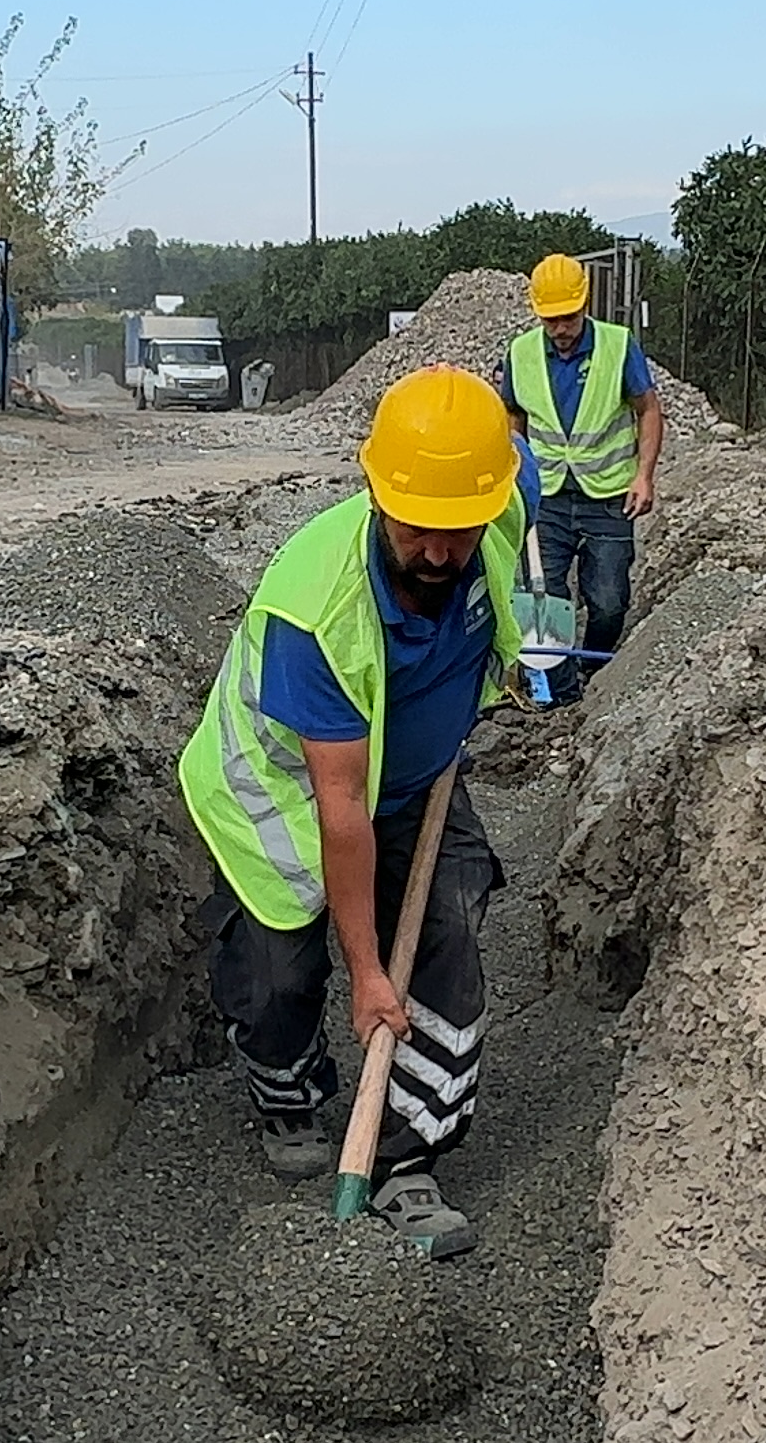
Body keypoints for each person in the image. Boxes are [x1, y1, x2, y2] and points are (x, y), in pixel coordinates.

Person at [177, 366, 526, 1258]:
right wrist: (368, 972)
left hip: (420, 777)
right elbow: (341, 814)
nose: (442, 554)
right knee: (280, 976)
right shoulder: (315, 608)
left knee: (446, 936)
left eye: (460, 532)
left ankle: (407, 1160)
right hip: (286, 794)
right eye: (420, 531)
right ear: (377, 493)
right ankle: (290, 1093)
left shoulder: (495, 505)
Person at [496, 253, 662, 703]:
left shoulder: (617, 345)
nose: (560, 329)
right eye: (550, 320)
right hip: (547, 498)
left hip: (608, 497)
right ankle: (559, 691)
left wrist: (644, 476)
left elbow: (647, 410)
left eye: (567, 318)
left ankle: (596, 672)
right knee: (544, 599)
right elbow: (513, 414)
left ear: (584, 305)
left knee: (607, 600)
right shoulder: (521, 353)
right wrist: (518, 467)